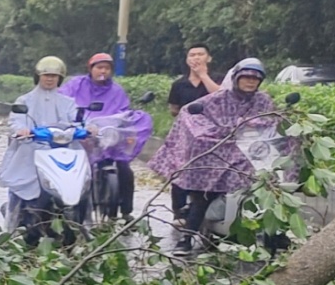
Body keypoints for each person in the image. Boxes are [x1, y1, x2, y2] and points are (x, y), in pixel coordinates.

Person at [153, 57, 285, 252]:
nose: (251, 81)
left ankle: (277, 233)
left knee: (274, 189)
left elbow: (270, 123)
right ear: (236, 78)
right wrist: (212, 133)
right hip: (220, 153)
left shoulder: (263, 100)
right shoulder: (218, 99)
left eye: (255, 79)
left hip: (252, 154)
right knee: (204, 194)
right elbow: (189, 112)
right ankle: (187, 238)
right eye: (246, 77)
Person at [0, 56, 81, 247]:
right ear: (38, 76)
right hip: (31, 151)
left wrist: (88, 128)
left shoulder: (68, 102)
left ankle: (80, 223)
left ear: (60, 78)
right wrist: (21, 130)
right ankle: (14, 222)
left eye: (54, 76)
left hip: (61, 151)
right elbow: (15, 121)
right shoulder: (24, 100)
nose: (50, 79)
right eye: (46, 75)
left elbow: (77, 121)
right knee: (22, 186)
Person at [62, 52, 152, 220]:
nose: (103, 71)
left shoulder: (117, 91)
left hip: (107, 139)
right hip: (82, 137)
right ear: (91, 69)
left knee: (124, 169)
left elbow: (123, 113)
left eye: (107, 68)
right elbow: (62, 102)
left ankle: (126, 210)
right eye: (99, 67)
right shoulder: (75, 85)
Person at [165, 45, 221, 227]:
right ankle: (179, 211)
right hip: (186, 136)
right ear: (187, 60)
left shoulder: (218, 79)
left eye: (200, 54)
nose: (196, 58)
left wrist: (203, 75)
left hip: (213, 136)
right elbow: (173, 109)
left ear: (209, 58)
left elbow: (222, 98)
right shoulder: (179, 84)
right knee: (179, 170)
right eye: (192, 55)